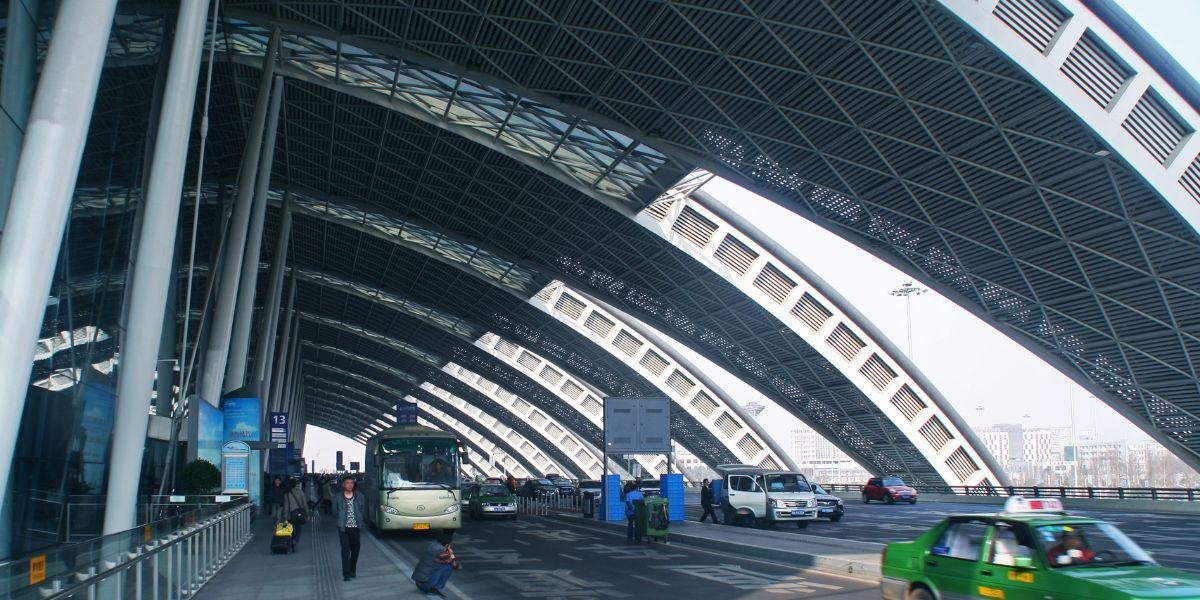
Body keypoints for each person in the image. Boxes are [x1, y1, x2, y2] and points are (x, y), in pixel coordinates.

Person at [333, 476, 367, 581]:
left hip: (356, 527)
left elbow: (363, 509)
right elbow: (334, 511)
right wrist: (340, 518)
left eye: (351, 483)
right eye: (347, 483)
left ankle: (352, 570)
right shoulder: (337, 497)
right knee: (345, 551)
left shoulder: (359, 496)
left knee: (355, 550)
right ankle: (346, 574)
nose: (350, 485)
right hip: (343, 528)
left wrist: (360, 519)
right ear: (343, 484)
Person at [411, 530, 462, 596]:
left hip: (418, 581)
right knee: (449, 567)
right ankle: (433, 588)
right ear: (447, 544)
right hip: (424, 584)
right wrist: (450, 551)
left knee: (443, 564)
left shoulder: (433, 545)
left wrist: (447, 550)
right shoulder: (440, 550)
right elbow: (457, 566)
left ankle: (430, 587)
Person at [278, 478, 309, 545]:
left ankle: (291, 540)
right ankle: (296, 540)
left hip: (290, 515)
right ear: (296, 484)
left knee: (290, 528)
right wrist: (307, 514)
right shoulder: (300, 492)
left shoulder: (286, 494)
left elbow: (286, 507)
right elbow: (305, 504)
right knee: (298, 527)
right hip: (299, 514)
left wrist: (285, 517)